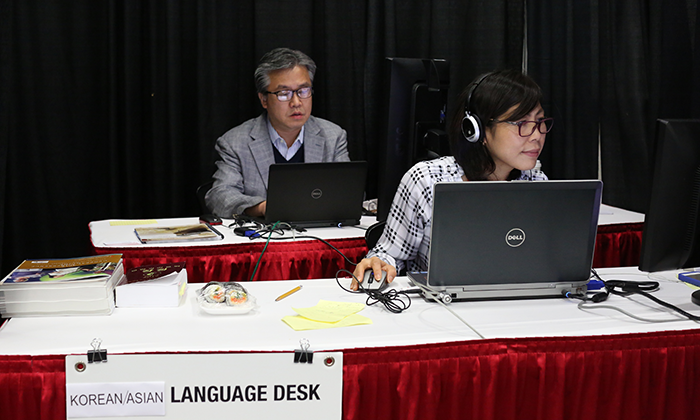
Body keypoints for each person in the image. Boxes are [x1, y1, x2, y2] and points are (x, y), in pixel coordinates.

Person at [352, 69, 552, 290]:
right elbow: (389, 255)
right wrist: (379, 263)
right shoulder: (427, 180)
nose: (536, 135)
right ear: (477, 130)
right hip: (442, 309)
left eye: (540, 121)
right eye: (521, 123)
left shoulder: (536, 180)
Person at [205, 48, 350, 218]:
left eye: (303, 91)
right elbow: (220, 197)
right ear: (264, 99)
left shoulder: (333, 136)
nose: (296, 102)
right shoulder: (235, 142)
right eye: (284, 94)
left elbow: (348, 194)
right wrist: (263, 208)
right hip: (264, 238)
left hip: (319, 235)